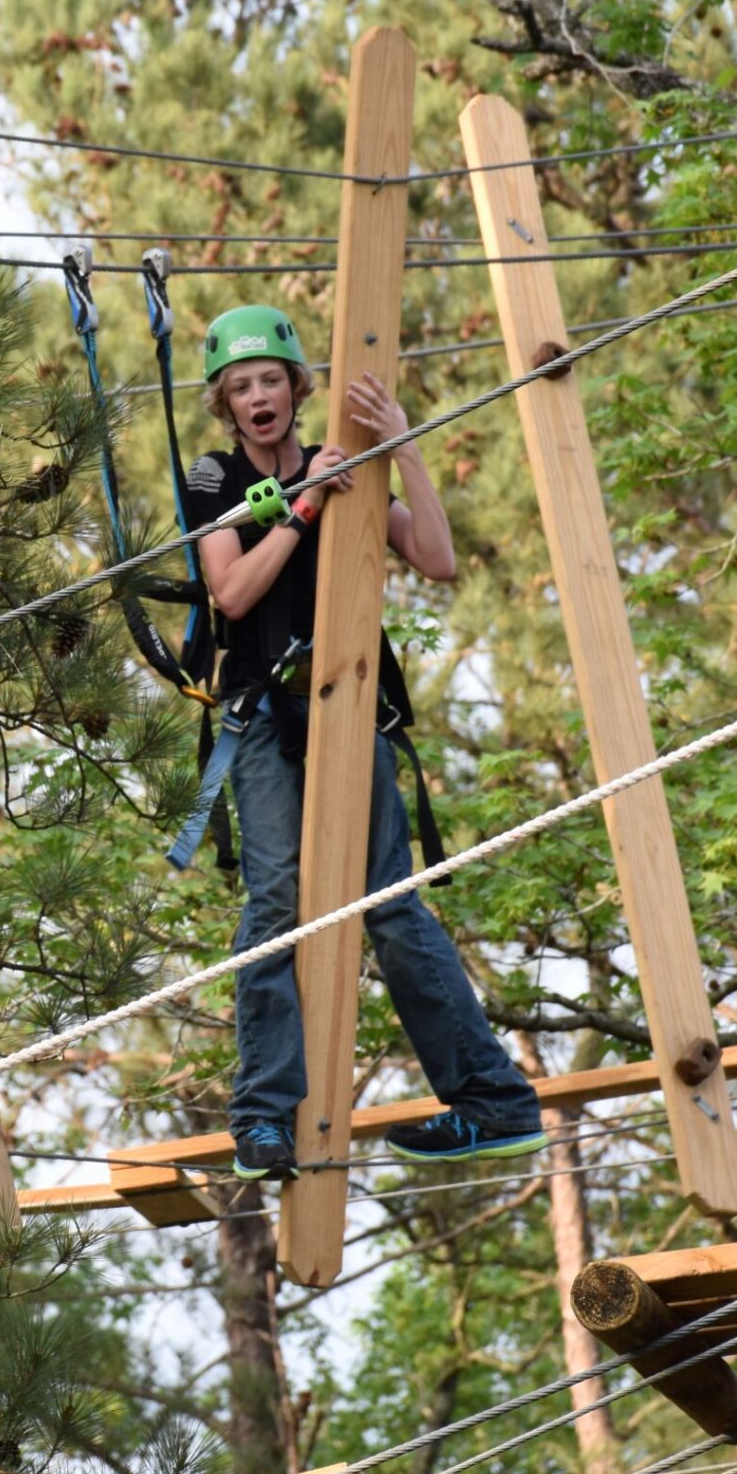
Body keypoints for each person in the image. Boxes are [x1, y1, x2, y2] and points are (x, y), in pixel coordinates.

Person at [180, 305, 545, 1180]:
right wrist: (305, 505)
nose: (258, 396)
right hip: (264, 718)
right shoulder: (213, 477)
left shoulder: (344, 462)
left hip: (351, 709)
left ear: (295, 388)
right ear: (226, 406)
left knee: (386, 901)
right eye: (241, 387)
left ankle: (493, 1101)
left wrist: (403, 451)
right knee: (276, 908)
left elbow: (438, 559)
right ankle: (263, 1121)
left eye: (271, 380)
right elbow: (230, 592)